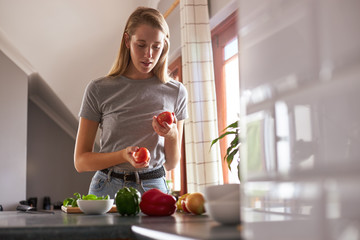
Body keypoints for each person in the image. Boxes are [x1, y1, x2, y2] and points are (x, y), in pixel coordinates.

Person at [74, 6, 188, 198]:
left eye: (156, 47)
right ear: (127, 40)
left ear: (164, 45)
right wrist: (121, 155)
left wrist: (172, 134)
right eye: (141, 45)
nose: (148, 55)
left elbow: (171, 163)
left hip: (154, 187)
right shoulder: (99, 89)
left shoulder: (176, 92)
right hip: (107, 188)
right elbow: (81, 161)